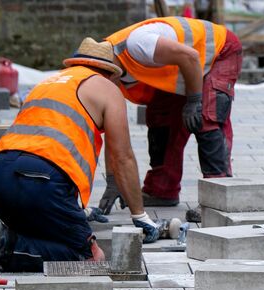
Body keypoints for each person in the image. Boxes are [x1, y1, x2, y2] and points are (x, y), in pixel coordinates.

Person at [0, 38, 161, 274]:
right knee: (88, 257)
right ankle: (5, 243)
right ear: (109, 72)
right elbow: (123, 156)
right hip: (42, 182)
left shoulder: (47, 83)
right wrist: (140, 215)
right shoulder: (108, 88)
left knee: (42, 234)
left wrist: (102, 189)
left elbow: (43, 138)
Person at [98, 16, 242, 212]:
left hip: (219, 51)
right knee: (161, 116)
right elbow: (114, 133)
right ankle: (162, 190)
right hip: (184, 66)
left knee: (206, 117)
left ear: (110, 71)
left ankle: (218, 198)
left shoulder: (137, 44)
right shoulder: (110, 70)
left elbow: (191, 56)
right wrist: (114, 180)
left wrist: (193, 101)